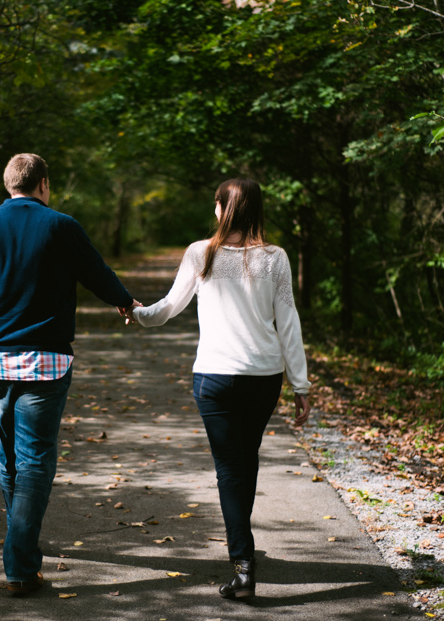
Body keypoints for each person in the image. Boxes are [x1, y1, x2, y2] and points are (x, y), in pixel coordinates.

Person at [0, 153, 140, 596]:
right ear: (43, 184)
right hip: (45, 364)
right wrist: (125, 301)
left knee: (8, 456)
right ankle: (21, 563)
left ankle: (20, 546)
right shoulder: (61, 225)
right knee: (34, 461)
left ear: (8, 185)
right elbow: (96, 273)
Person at [132, 178, 311, 601]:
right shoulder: (276, 258)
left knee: (233, 468)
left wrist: (136, 312)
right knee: (244, 462)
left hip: (214, 378)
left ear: (221, 210)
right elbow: (289, 325)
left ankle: (244, 564)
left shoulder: (202, 253)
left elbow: (167, 309)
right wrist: (300, 383)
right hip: (263, 378)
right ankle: (243, 550)